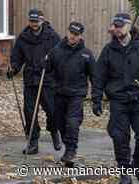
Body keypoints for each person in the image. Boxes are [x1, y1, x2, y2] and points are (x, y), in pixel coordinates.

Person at [92, 13, 139, 184]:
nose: (117, 29)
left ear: (128, 26)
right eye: (115, 26)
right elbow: (99, 77)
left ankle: (137, 165)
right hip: (118, 101)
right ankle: (124, 172)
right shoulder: (108, 51)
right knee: (119, 137)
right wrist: (96, 99)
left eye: (120, 26)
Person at [7, 8, 61, 155]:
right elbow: (16, 58)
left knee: (52, 110)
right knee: (29, 112)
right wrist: (13, 69)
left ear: (42, 20)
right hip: (30, 79)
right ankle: (33, 141)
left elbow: (61, 57)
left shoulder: (53, 37)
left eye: (36, 21)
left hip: (47, 79)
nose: (34, 24)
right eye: (32, 21)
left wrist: (50, 64)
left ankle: (54, 131)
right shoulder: (23, 37)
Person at [46, 21, 95, 164]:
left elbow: (94, 75)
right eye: (71, 33)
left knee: (72, 122)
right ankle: (68, 149)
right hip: (59, 93)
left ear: (80, 36)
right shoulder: (56, 51)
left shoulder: (86, 54)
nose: (73, 37)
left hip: (76, 94)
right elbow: (47, 70)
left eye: (76, 34)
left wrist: (96, 97)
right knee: (60, 123)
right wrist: (45, 64)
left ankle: (71, 151)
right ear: (67, 32)